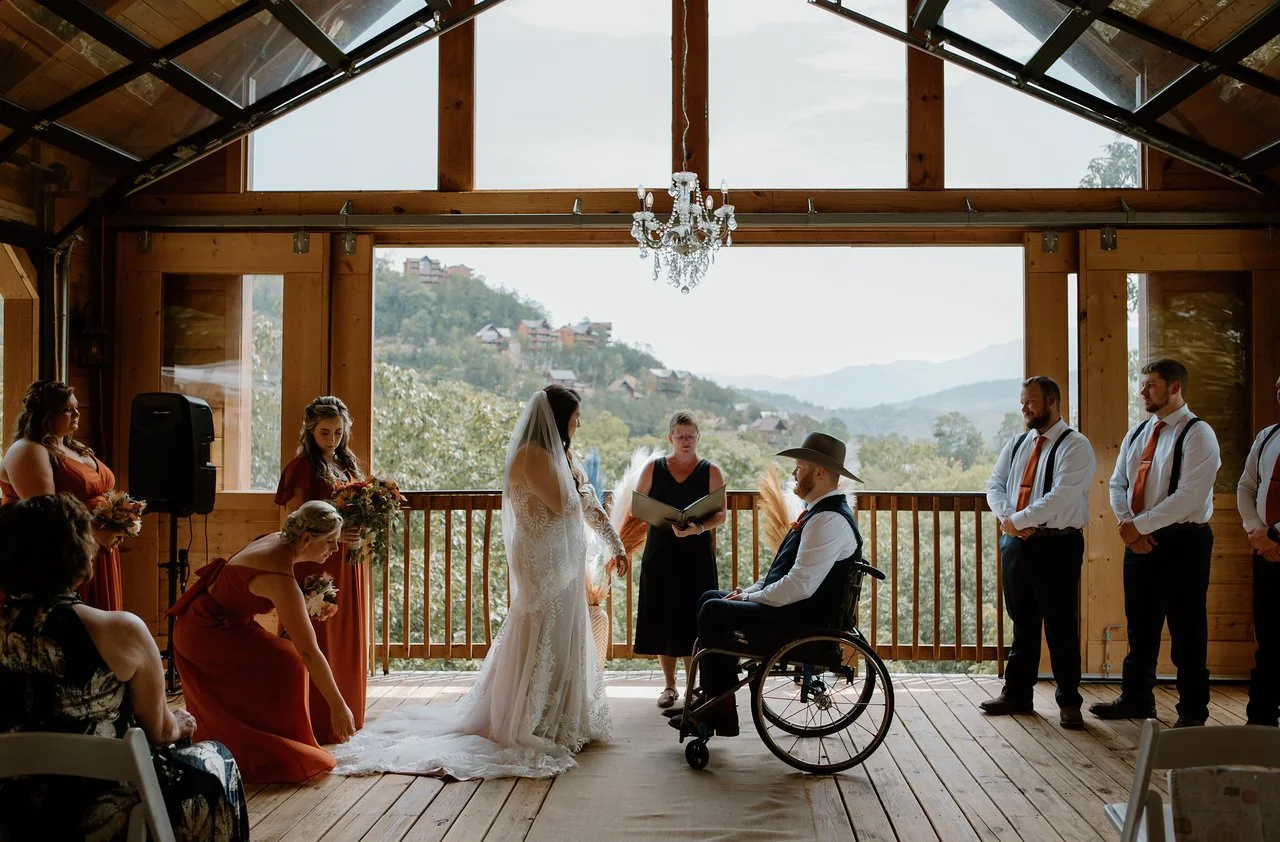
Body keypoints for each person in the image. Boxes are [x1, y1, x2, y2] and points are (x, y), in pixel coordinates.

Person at [330, 385, 629, 779]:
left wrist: (615, 543)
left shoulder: (563, 456)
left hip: (564, 559)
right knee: (542, 626)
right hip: (541, 558)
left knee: (564, 631)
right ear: (558, 419)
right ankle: (531, 719)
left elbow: (584, 507)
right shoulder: (532, 455)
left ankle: (564, 717)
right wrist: (584, 487)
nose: (580, 421)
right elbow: (565, 504)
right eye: (575, 415)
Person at [0, 494, 248, 840]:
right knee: (217, 760)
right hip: (101, 803)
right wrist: (178, 723)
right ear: (77, 551)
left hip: (12, 803)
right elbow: (159, 731)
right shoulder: (120, 631)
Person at [669, 432, 863, 738]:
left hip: (803, 621)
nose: (793, 473)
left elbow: (799, 586)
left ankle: (718, 709)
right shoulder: (819, 514)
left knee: (714, 612)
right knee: (709, 598)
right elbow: (781, 571)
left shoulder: (829, 521)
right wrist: (748, 592)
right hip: (794, 610)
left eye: (799, 467)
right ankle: (712, 697)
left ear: (820, 472)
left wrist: (753, 598)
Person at [169, 500, 356, 783]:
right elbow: (310, 652)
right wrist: (338, 705)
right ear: (306, 538)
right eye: (330, 541)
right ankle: (272, 749)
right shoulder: (278, 577)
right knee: (292, 661)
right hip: (204, 633)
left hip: (223, 623)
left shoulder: (279, 538)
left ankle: (275, 736)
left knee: (284, 659)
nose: (335, 549)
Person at [1092, 359, 1220, 728]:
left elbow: (1189, 497)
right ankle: (1137, 699)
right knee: (1140, 625)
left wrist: (1138, 527)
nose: (1142, 391)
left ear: (1175, 387)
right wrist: (1130, 526)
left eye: (1150, 385)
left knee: (1187, 628)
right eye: (1142, 384)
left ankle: (1193, 712)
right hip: (1139, 539)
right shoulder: (1138, 434)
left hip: (1185, 541)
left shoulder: (1198, 434)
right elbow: (1117, 484)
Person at [982, 376, 1095, 729]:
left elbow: (1062, 494)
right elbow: (994, 485)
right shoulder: (1016, 444)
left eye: (1030, 402)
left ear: (1051, 400)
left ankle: (1068, 701)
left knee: (1060, 622)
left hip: (1058, 543)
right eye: (1022, 403)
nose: (1024, 408)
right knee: (1022, 621)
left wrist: (1020, 519)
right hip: (1016, 543)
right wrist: (1008, 518)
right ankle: (1017, 693)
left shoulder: (1075, 445)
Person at [275, 395, 369, 743]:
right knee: (319, 635)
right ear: (310, 431)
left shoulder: (348, 464)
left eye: (338, 432)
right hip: (319, 561)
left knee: (345, 632)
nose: (332, 440)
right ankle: (317, 718)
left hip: (347, 560)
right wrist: (337, 534)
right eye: (325, 432)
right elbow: (297, 520)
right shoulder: (302, 467)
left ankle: (349, 716)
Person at [0, 380, 124, 610]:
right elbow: (47, 517)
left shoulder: (72, 446)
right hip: (64, 556)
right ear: (46, 414)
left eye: (76, 407)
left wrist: (120, 518)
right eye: (68, 409)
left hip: (94, 545)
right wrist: (95, 534)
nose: (77, 413)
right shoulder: (28, 450)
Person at [633, 410, 726, 708]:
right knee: (663, 616)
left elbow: (721, 514)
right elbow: (638, 506)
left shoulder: (712, 471)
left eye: (691, 436)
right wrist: (662, 517)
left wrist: (697, 527)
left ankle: (692, 687)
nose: (685, 441)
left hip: (696, 554)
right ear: (670, 437)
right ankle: (669, 686)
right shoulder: (653, 468)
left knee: (694, 619)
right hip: (661, 551)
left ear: (698, 437)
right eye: (680, 436)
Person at [1237, 373, 1280, 726]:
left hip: (1274, 542)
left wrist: (1275, 535)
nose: (1279, 390)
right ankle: (1261, 719)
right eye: (1278, 385)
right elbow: (1247, 485)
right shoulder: (1268, 436)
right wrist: (1255, 530)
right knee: (1268, 636)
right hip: (1265, 550)